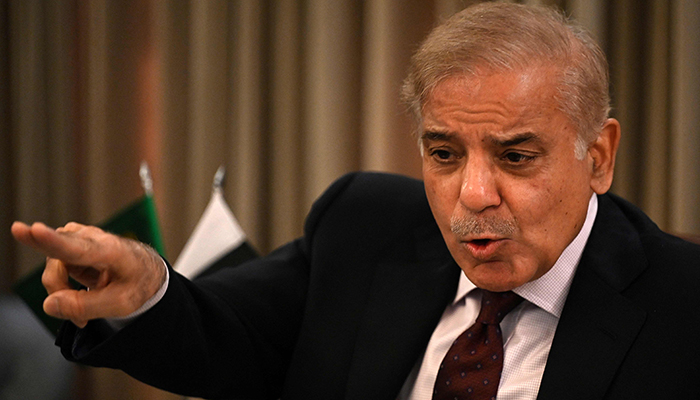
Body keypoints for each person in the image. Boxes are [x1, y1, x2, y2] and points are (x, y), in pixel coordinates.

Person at [11, 2, 700, 399]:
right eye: (444, 154)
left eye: (516, 157)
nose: (474, 195)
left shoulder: (684, 306)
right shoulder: (366, 227)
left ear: (598, 156)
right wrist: (145, 288)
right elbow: (222, 333)